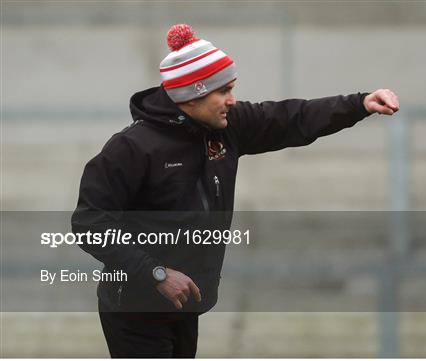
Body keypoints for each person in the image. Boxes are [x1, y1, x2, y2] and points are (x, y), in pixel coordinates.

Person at [71, 24, 399, 358]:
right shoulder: (131, 148)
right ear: (193, 95)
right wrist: (155, 273)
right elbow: (89, 223)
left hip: (184, 304)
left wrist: (360, 104)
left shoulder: (225, 126)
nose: (233, 100)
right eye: (224, 91)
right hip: (136, 310)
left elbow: (290, 118)